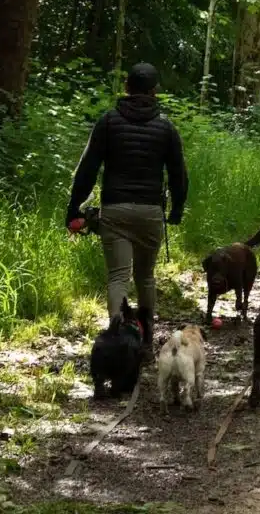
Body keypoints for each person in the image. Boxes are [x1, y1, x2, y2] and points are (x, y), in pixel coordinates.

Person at [66, 63, 189, 351]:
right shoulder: (166, 127)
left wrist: (74, 207)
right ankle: (146, 337)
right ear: (154, 91)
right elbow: (179, 174)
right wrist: (177, 210)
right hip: (150, 213)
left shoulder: (109, 121)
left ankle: (118, 335)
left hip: (115, 211)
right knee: (145, 276)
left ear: (126, 88)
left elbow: (88, 168)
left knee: (118, 276)